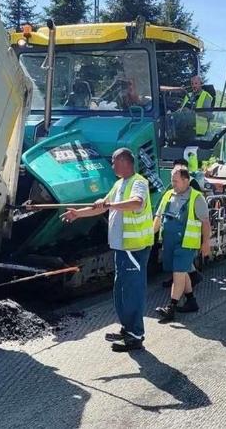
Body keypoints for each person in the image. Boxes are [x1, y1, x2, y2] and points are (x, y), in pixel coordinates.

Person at [61, 148, 153, 352]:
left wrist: (110, 203)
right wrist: (78, 214)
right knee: (120, 291)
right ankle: (126, 328)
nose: (112, 166)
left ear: (123, 161)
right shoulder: (119, 184)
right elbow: (103, 207)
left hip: (134, 248)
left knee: (132, 292)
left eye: (113, 162)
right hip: (121, 248)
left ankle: (135, 336)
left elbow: (137, 204)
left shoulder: (139, 182)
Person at [153, 168, 212, 322]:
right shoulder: (168, 195)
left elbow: (205, 223)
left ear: (186, 181)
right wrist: (148, 237)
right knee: (182, 272)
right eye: (172, 181)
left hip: (186, 243)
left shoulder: (197, 198)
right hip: (170, 242)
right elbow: (158, 218)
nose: (173, 184)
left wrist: (206, 243)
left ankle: (171, 307)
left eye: (176, 181)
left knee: (178, 273)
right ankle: (191, 301)